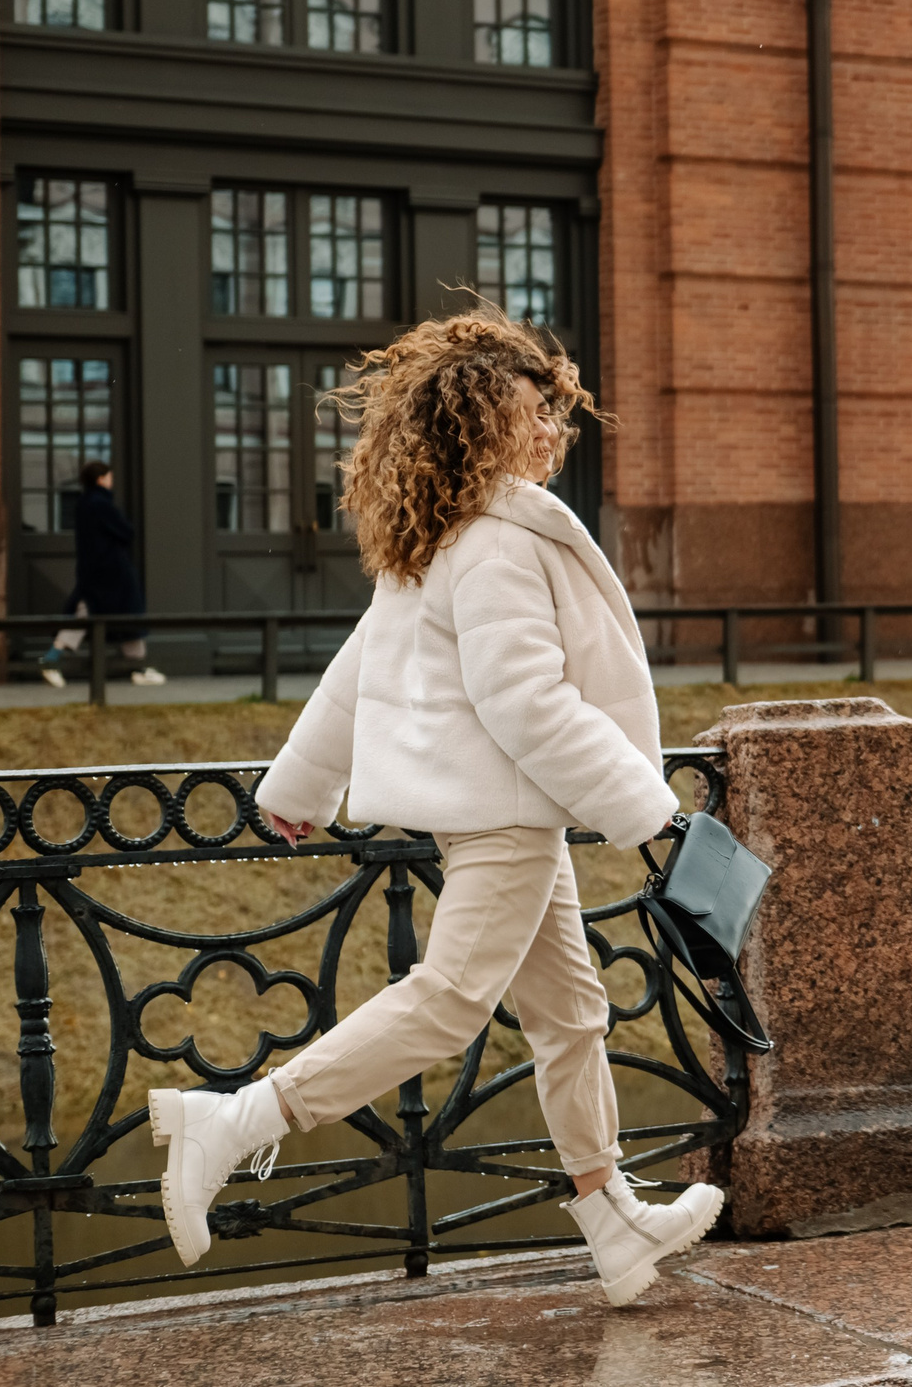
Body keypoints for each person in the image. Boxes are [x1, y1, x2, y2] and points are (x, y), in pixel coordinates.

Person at [146, 308, 718, 1309]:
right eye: (534, 412)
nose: (551, 431)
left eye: (554, 411)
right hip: (504, 811)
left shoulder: (441, 527)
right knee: (452, 1000)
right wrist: (648, 811)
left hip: (503, 811)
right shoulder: (495, 539)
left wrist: (301, 783)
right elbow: (528, 704)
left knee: (571, 1011)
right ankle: (238, 1121)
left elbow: (361, 663)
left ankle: (610, 1216)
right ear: (483, 422)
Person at [40, 459, 165, 687]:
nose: (111, 480)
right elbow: (126, 532)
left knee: (87, 613)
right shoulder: (101, 504)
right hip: (112, 572)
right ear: (101, 479)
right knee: (127, 614)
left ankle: (53, 659)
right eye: (109, 476)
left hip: (94, 571)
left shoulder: (83, 504)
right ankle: (137, 667)